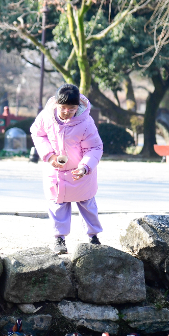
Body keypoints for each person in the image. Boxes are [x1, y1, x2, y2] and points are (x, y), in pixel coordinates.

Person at [30, 84, 104, 255]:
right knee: (57, 205)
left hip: (80, 172)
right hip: (55, 170)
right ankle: (59, 239)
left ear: (78, 106)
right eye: (63, 108)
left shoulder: (86, 122)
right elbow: (37, 133)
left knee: (87, 204)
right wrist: (49, 156)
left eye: (71, 109)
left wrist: (85, 167)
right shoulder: (46, 117)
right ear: (56, 104)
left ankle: (93, 237)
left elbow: (94, 148)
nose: (66, 112)